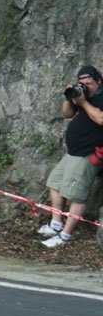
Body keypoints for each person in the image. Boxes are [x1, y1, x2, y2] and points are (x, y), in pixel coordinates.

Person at [40, 65, 103, 247]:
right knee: (55, 183)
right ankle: (56, 223)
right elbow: (66, 114)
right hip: (73, 152)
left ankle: (65, 236)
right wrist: (70, 97)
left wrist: (83, 103)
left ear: (98, 81)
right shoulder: (83, 96)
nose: (85, 87)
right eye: (81, 83)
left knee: (77, 196)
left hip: (89, 154)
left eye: (88, 83)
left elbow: (100, 119)